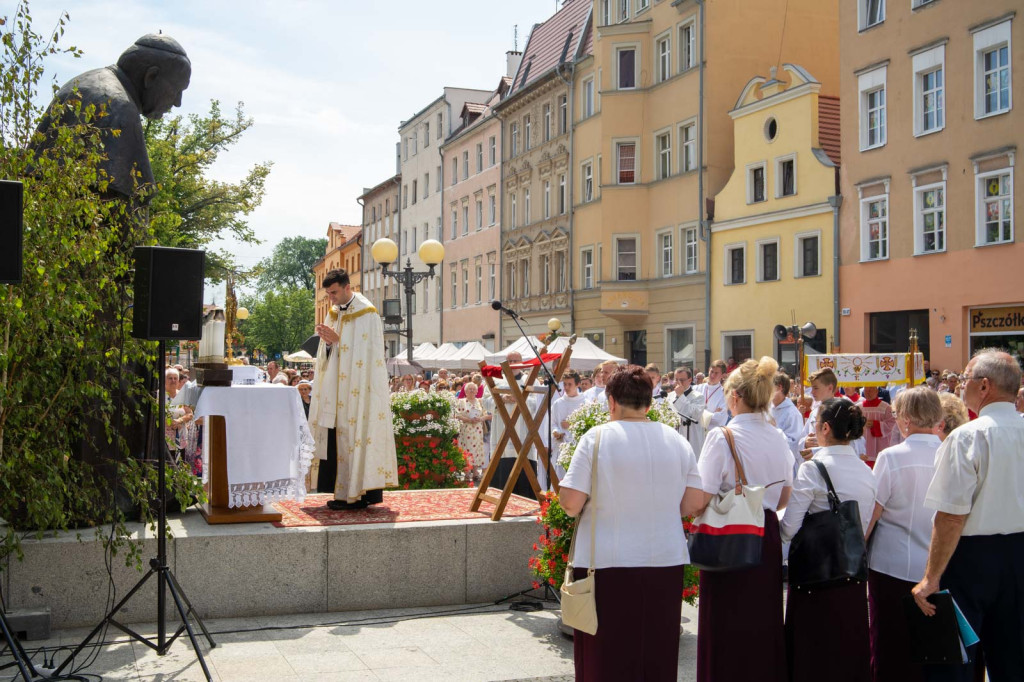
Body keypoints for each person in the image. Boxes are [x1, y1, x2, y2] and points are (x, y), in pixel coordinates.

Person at [559, 366, 704, 681]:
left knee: (607, 657)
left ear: (611, 401)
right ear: (649, 402)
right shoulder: (675, 439)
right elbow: (694, 503)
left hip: (607, 562)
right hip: (664, 559)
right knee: (656, 652)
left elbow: (570, 503)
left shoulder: (596, 438)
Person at [912, 349, 1024, 681]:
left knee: (952, 662)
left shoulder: (966, 437)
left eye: (965, 378)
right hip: (1018, 555)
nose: (961, 384)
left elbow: (950, 516)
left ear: (985, 386)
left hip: (971, 558)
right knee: (1014, 660)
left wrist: (931, 578)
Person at [695, 357, 794, 682]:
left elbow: (701, 498)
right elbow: (784, 496)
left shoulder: (723, 436)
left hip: (729, 533)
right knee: (762, 622)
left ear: (735, 396)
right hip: (766, 534)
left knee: (724, 625)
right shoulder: (778, 437)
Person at [782, 399, 875, 682]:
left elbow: (789, 528)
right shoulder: (866, 471)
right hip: (852, 572)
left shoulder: (813, 468)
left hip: (816, 574)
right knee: (846, 650)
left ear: (825, 428)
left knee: (815, 653)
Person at [34, 34, 191, 201]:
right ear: (151, 77)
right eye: (177, 90)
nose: (178, 102)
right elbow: (121, 204)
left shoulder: (84, 81)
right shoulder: (119, 106)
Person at [864, 388, 944, 682]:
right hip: (938, 563)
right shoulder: (948, 453)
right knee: (933, 647)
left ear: (907, 419)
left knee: (890, 644)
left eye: (897, 414)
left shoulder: (891, 457)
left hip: (891, 564)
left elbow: (873, 512)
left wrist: (858, 548)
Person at [308, 269, 398, 510]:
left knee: (355, 434)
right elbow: (327, 352)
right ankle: (341, 493)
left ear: (348, 287)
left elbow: (367, 354)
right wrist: (328, 344)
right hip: (336, 388)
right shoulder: (334, 312)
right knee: (336, 437)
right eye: (328, 294)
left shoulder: (367, 313)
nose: (331, 298)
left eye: (334, 293)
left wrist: (339, 341)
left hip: (358, 388)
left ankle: (356, 495)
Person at [547, 370, 587, 479]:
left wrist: (571, 424)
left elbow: (589, 425)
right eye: (565, 384)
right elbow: (552, 423)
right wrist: (556, 432)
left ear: (578, 384)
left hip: (579, 448)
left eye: (570, 384)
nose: (566, 387)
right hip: (561, 447)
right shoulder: (558, 403)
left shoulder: (585, 402)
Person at [770, 371, 805, 473]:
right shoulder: (767, 409)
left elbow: (795, 445)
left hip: (785, 468)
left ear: (779, 387)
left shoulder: (792, 413)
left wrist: (773, 431)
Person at [455, 379, 489, 478]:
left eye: (474, 389)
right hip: (466, 430)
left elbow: (486, 414)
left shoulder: (480, 402)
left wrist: (481, 418)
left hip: (478, 430)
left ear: (477, 391)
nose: (472, 391)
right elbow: (457, 415)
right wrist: (468, 420)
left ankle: (475, 472)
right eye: (469, 389)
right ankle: (467, 472)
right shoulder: (461, 402)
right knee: (466, 450)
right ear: (465, 391)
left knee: (477, 450)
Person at [670, 367, 706, 457]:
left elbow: (693, 415)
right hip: (674, 439)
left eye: (682, 380)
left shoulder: (698, 397)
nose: (678, 383)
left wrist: (680, 396)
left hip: (691, 439)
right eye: (676, 379)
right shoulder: (670, 396)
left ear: (690, 380)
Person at [858, 385, 897, 467]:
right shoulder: (859, 407)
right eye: (866, 390)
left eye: (870, 390)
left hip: (880, 444)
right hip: (864, 444)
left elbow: (892, 423)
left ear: (877, 391)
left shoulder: (885, 407)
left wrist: (876, 424)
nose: (868, 393)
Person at [695, 360, 728, 431]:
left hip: (711, 432)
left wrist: (697, 412)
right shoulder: (697, 388)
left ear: (722, 375)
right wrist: (711, 414)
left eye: (716, 373)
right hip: (695, 431)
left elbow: (719, 419)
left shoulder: (724, 394)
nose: (712, 375)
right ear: (708, 370)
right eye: (711, 371)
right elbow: (688, 411)